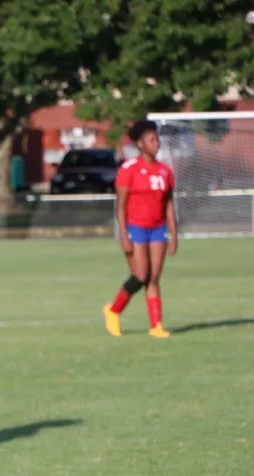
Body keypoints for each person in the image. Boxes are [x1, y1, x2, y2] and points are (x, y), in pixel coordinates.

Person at [103, 121, 178, 338]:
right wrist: (123, 235)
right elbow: (120, 205)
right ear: (140, 144)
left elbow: (168, 204)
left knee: (153, 278)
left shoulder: (165, 171)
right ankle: (113, 310)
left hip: (157, 228)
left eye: (157, 139)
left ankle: (156, 326)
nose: (156, 143)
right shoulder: (129, 170)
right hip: (135, 228)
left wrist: (174, 234)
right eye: (151, 140)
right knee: (140, 275)